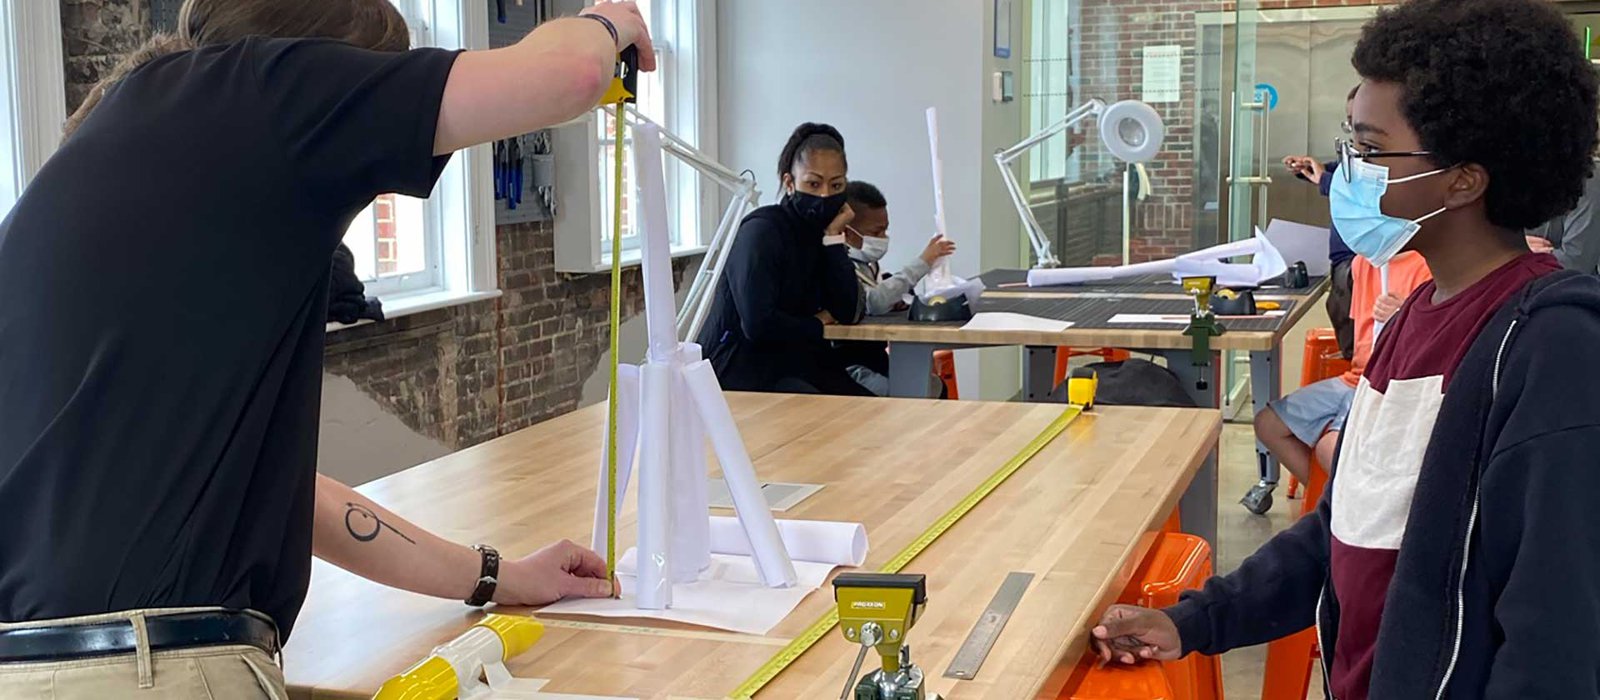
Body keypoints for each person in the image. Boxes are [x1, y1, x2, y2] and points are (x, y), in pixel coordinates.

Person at [0, 0, 654, 696]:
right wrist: (609, 21)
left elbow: (296, 502)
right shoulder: (270, 88)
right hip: (149, 669)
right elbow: (573, 74)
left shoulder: (129, 148)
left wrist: (500, 577)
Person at [1091, 2, 1600, 699]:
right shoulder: (1414, 316)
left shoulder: (1551, 346)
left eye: (1370, 149)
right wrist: (1195, 620)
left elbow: (1555, 634)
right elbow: (1346, 528)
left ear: (1463, 179)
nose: (1348, 171)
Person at [696, 123, 869, 395]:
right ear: (790, 183)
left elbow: (846, 310)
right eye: (813, 183)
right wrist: (815, 324)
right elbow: (758, 325)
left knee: (876, 409)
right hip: (740, 373)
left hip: (796, 362)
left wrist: (834, 239)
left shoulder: (821, 234)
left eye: (836, 185)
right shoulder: (761, 231)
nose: (825, 195)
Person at [1252, 251, 1431, 484]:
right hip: (1356, 379)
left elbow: (1437, 340)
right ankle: (1330, 500)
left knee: (1330, 449)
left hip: (1390, 384)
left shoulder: (1427, 267)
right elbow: (1359, 340)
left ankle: (1349, 501)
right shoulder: (1361, 264)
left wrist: (1405, 316)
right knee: (1268, 424)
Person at [832, 181, 956, 396]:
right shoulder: (839, 266)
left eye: (885, 230)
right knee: (903, 393)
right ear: (847, 232)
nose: (883, 238)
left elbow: (882, 293)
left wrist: (897, 300)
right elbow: (873, 301)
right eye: (876, 232)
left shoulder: (870, 265)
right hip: (846, 364)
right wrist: (923, 262)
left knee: (934, 387)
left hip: (876, 357)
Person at [1283, 84, 1362, 360]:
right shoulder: (1358, 154)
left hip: (1357, 261)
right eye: (1349, 123)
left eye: (1358, 122)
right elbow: (1345, 173)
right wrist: (1312, 169)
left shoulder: (1383, 155)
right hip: (1344, 260)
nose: (1354, 131)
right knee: (1341, 315)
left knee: (1357, 337)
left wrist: (1325, 180)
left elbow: (1363, 192)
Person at [1526, 160, 1600, 273]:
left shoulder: (1588, 177)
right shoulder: (1504, 171)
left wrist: (1516, 251)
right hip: (1514, 273)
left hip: (1554, 280)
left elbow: (1575, 264)